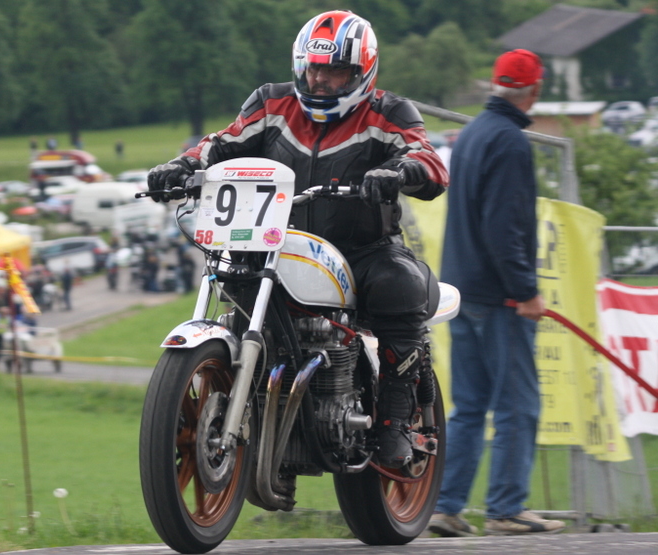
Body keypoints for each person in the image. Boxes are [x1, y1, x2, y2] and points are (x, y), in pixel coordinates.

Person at [147, 10, 448, 468]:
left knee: (399, 285)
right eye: (313, 68)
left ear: (362, 72)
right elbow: (221, 143)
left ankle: (393, 423)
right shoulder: (271, 104)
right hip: (277, 244)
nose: (320, 80)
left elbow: (427, 158)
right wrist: (183, 165)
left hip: (362, 250)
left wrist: (400, 171)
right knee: (237, 280)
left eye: (335, 71)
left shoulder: (388, 112)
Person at [428, 49, 566, 537]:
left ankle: (445, 506)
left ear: (496, 83)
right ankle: (506, 509)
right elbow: (504, 228)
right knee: (517, 405)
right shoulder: (510, 141)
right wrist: (525, 291)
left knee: (469, 408)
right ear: (535, 90)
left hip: (462, 292)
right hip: (499, 298)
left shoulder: (472, 133)